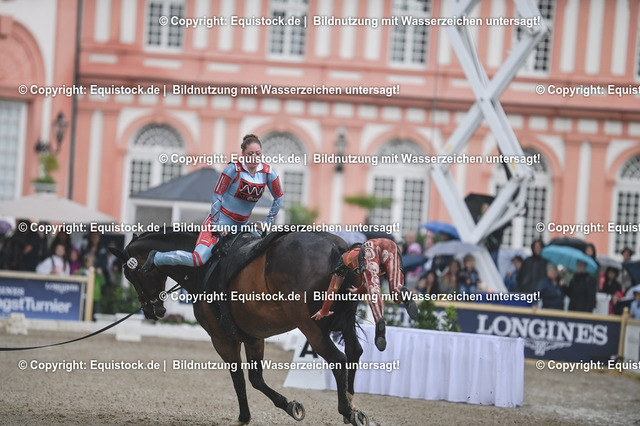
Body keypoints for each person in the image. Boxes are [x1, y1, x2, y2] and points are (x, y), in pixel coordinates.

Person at [142, 134, 284, 273]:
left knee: (262, 255)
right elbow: (217, 194)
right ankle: (157, 258)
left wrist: (267, 222)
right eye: (250, 154)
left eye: (258, 154)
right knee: (198, 259)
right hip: (220, 220)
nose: (254, 158)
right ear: (243, 154)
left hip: (243, 225)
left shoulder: (268, 173)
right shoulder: (233, 169)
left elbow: (279, 197)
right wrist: (217, 224)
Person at [311, 238, 417, 352]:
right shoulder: (369, 259)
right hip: (391, 245)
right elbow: (368, 281)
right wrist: (358, 291)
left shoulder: (346, 259)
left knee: (374, 290)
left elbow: (333, 289)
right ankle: (402, 291)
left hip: (370, 247)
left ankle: (379, 320)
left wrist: (324, 310)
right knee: (396, 293)